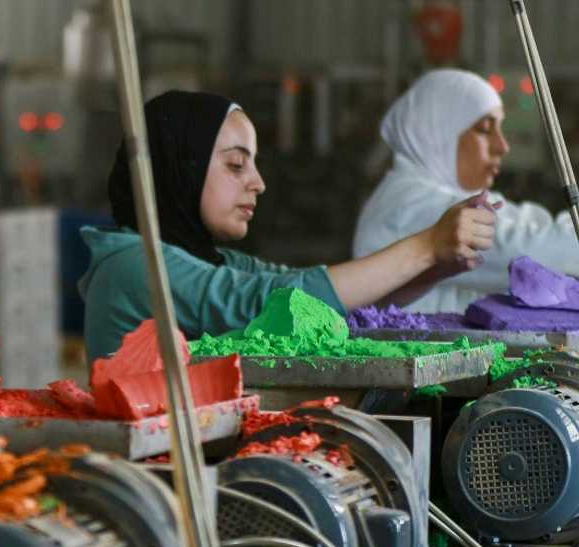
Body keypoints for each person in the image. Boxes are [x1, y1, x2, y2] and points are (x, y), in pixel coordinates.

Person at [80, 90, 497, 360]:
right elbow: (272, 302)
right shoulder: (133, 267)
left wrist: (431, 269)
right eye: (236, 165)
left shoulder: (211, 260)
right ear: (181, 169)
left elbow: (317, 299)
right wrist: (424, 246)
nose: (257, 183)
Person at [354, 68, 579, 313]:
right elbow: (535, 252)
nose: (502, 146)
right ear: (439, 133)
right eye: (484, 129)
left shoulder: (442, 197)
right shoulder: (408, 206)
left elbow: (533, 226)